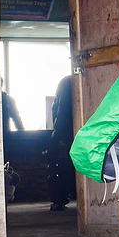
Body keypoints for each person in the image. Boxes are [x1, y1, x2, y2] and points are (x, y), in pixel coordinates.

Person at [48, 76, 76, 211]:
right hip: (70, 132)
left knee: (61, 168)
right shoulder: (69, 83)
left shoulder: (66, 82)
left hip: (65, 132)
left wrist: (58, 133)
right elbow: (61, 110)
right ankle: (61, 199)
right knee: (64, 168)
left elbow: (59, 110)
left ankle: (60, 200)